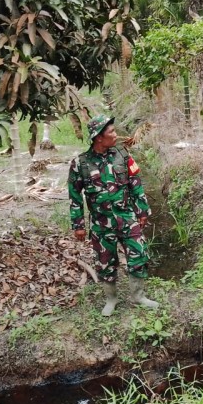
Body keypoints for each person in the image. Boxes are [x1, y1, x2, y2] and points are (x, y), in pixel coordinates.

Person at [67, 114, 159, 316]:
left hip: (127, 218)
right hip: (101, 223)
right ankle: (111, 299)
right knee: (105, 262)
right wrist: (78, 224)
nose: (116, 135)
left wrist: (142, 211)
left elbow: (136, 184)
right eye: (111, 132)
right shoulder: (80, 163)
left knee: (138, 254)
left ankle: (138, 296)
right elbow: (74, 196)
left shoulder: (123, 155)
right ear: (99, 137)